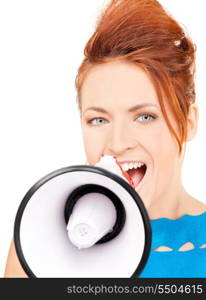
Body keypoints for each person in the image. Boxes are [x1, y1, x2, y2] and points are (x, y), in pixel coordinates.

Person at [5, 0, 206, 277]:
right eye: (98, 120)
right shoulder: (38, 243)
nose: (117, 143)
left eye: (144, 117)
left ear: (189, 123)